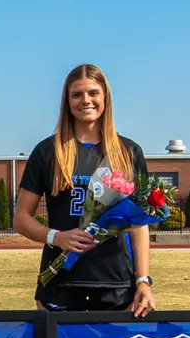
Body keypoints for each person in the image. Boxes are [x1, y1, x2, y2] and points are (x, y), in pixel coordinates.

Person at [14, 64, 155, 316]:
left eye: (93, 93)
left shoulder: (129, 152)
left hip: (115, 282)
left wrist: (142, 280)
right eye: (77, 94)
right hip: (60, 282)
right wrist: (56, 237)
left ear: (105, 97)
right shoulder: (48, 151)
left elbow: (138, 224)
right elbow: (21, 219)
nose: (86, 101)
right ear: (67, 101)